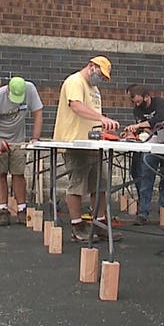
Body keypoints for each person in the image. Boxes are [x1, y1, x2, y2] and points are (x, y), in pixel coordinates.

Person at [52, 55, 121, 242]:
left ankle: (99, 224)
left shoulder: (94, 89)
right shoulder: (75, 81)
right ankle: (77, 226)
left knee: (100, 184)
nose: (102, 79)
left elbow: (92, 115)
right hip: (75, 142)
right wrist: (102, 119)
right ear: (91, 66)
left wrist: (102, 128)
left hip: (92, 143)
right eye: (101, 74)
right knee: (77, 185)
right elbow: (75, 106)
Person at [0, 76, 44, 226]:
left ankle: (22, 210)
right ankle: (3, 210)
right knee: (0, 174)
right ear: (8, 90)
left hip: (18, 139)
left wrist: (35, 138)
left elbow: (38, 113)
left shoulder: (30, 90)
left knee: (18, 173)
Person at [125, 84, 164, 225]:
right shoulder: (137, 110)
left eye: (137, 100)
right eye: (133, 101)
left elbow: (159, 120)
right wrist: (136, 130)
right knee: (146, 178)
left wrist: (142, 126)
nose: (135, 103)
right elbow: (147, 128)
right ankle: (143, 213)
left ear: (147, 96)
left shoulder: (159, 103)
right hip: (150, 145)